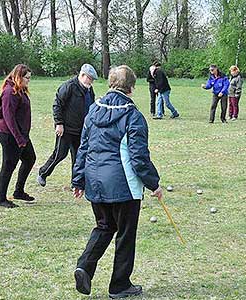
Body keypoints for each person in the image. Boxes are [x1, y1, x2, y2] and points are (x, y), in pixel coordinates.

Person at [72, 65, 163, 299]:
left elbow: (83, 148)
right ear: (132, 87)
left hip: (96, 182)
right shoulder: (132, 116)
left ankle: (84, 266)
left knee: (105, 226)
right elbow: (139, 157)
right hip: (123, 185)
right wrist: (154, 183)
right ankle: (119, 285)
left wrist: (79, 179)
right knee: (125, 233)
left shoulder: (93, 111)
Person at [37, 64, 97, 187]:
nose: (91, 82)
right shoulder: (68, 86)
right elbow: (57, 105)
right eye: (90, 78)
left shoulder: (89, 89)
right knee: (60, 154)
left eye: (92, 79)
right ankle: (43, 173)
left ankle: (76, 183)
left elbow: (90, 106)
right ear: (82, 75)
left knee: (79, 157)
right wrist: (59, 123)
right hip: (66, 129)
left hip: (81, 129)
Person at [0, 64, 36, 208]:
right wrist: (19, 139)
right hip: (9, 134)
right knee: (8, 165)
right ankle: (1, 199)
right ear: (19, 76)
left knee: (30, 158)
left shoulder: (20, 90)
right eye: (27, 78)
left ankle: (19, 191)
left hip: (21, 134)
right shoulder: (9, 92)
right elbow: (8, 118)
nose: (28, 81)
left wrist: (23, 136)